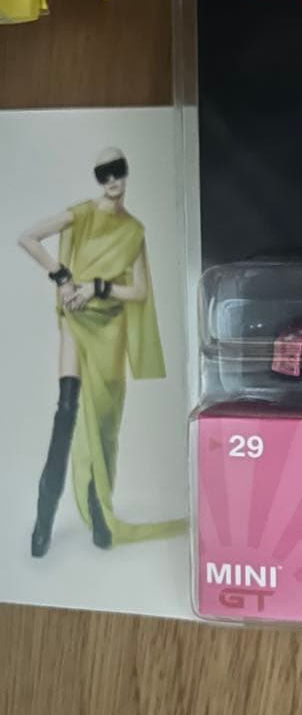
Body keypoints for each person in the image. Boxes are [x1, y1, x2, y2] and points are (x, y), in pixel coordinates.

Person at [18, 147, 187, 556]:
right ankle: (43, 525)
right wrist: (62, 277)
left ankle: (99, 521)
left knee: (105, 426)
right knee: (66, 413)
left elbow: (140, 291)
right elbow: (27, 237)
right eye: (103, 173)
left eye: (117, 171)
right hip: (76, 323)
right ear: (98, 178)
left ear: (126, 173)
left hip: (110, 330)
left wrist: (97, 287)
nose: (111, 180)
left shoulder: (134, 230)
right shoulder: (81, 213)